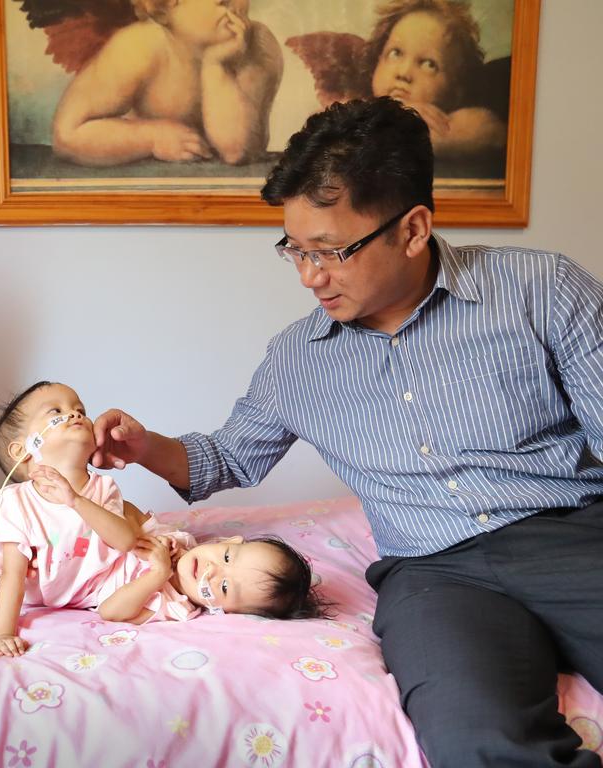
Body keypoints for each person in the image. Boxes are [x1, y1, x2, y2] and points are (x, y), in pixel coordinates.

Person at [92, 97, 603, 767]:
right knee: (474, 739)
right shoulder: (298, 357)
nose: (310, 277)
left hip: (570, 535)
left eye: (331, 252)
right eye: (295, 251)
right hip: (436, 575)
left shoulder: (540, 289)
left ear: (413, 228)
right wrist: (143, 445)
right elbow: (224, 459)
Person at [0, 381, 324, 658]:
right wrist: (2, 631)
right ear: (227, 543)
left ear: (220, 610)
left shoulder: (173, 600)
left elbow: (115, 588)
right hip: (13, 574)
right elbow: (13, 576)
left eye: (225, 588)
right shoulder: (23, 500)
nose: (74, 414)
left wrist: (156, 572)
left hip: (67, 574)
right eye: (58, 413)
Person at [51, 0, 283, 166]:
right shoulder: (139, 46)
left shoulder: (257, 46)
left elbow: (237, 151)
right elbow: (67, 134)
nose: (232, 4)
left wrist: (216, 66)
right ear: (164, 10)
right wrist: (152, 138)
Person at [367, 0, 506, 160]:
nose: (404, 72)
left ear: (455, 92)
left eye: (428, 64)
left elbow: (491, 131)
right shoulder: (354, 104)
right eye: (395, 53)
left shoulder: (454, 124)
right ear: (377, 60)